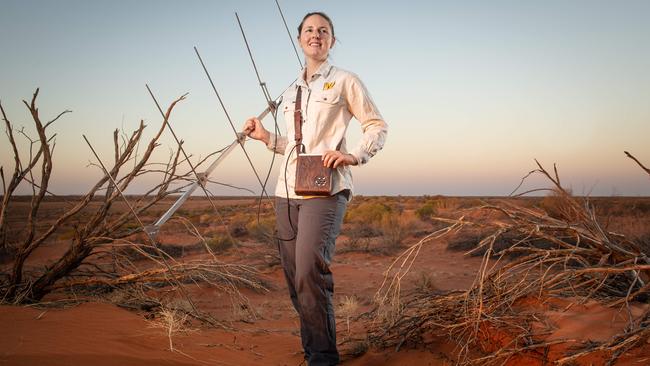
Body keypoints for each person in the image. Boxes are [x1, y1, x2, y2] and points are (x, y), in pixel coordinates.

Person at [243, 11, 387, 366]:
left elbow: (377, 125)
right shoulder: (291, 90)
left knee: (310, 270)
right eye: (309, 30)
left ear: (332, 41)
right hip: (286, 190)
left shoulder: (344, 81)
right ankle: (313, 352)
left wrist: (354, 155)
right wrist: (265, 138)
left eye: (323, 31)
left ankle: (323, 359)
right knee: (295, 278)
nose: (316, 35)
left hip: (326, 190)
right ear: (299, 39)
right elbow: (295, 145)